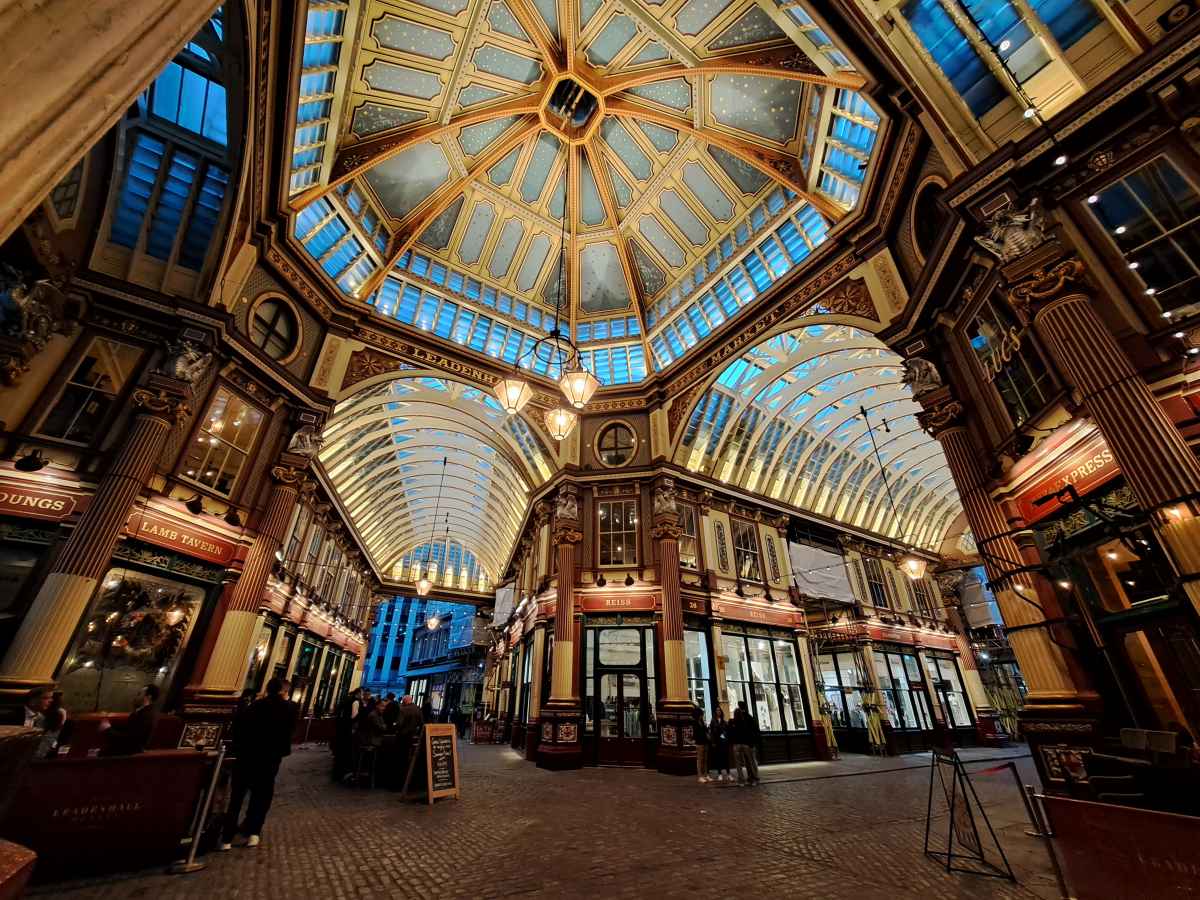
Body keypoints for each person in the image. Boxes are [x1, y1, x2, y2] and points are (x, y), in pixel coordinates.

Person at [221, 677, 297, 850]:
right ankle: (253, 833)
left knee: (236, 797)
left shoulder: (254, 706)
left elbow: (238, 729)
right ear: (284, 691)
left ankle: (226, 839)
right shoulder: (289, 708)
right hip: (269, 760)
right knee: (261, 796)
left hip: (246, 757)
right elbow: (290, 731)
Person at [99, 684, 159, 755]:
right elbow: (127, 727)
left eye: (139, 694)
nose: (136, 697)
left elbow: (130, 740)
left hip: (129, 753)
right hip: (126, 749)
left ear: (148, 697)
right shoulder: (141, 711)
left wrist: (108, 729)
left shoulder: (147, 716)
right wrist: (110, 726)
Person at [392, 695, 424, 791]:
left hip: (402, 737)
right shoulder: (417, 709)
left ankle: (397, 783)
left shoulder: (403, 710)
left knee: (399, 759)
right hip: (412, 736)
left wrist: (394, 726)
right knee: (407, 758)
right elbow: (421, 722)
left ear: (405, 701)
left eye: (403, 701)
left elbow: (399, 724)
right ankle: (407, 780)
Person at [332, 688, 361, 781]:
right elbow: (354, 715)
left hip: (340, 728)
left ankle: (336, 773)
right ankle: (343, 773)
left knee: (339, 751)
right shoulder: (355, 701)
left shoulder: (346, 699)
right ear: (358, 693)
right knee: (345, 751)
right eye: (362, 693)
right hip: (347, 728)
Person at [730, 700, 761, 786]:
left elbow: (732, 732)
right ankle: (753, 778)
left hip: (740, 743)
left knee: (741, 763)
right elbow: (753, 730)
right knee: (749, 761)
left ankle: (743, 780)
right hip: (745, 742)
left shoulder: (737, 719)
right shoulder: (747, 717)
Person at [709, 705, 732, 783]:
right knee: (718, 758)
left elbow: (727, 731)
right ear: (715, 712)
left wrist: (725, 737)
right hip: (717, 742)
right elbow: (711, 733)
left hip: (724, 742)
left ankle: (728, 773)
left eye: (719, 710)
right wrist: (713, 742)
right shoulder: (713, 721)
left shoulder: (724, 721)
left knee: (726, 758)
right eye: (717, 710)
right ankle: (720, 774)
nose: (718, 712)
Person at [692, 704, 710, 783]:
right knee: (699, 760)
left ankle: (706, 775)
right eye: (701, 714)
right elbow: (695, 734)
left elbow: (705, 730)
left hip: (705, 742)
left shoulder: (702, 722)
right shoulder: (695, 723)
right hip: (699, 743)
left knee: (705, 759)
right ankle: (700, 776)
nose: (702, 716)